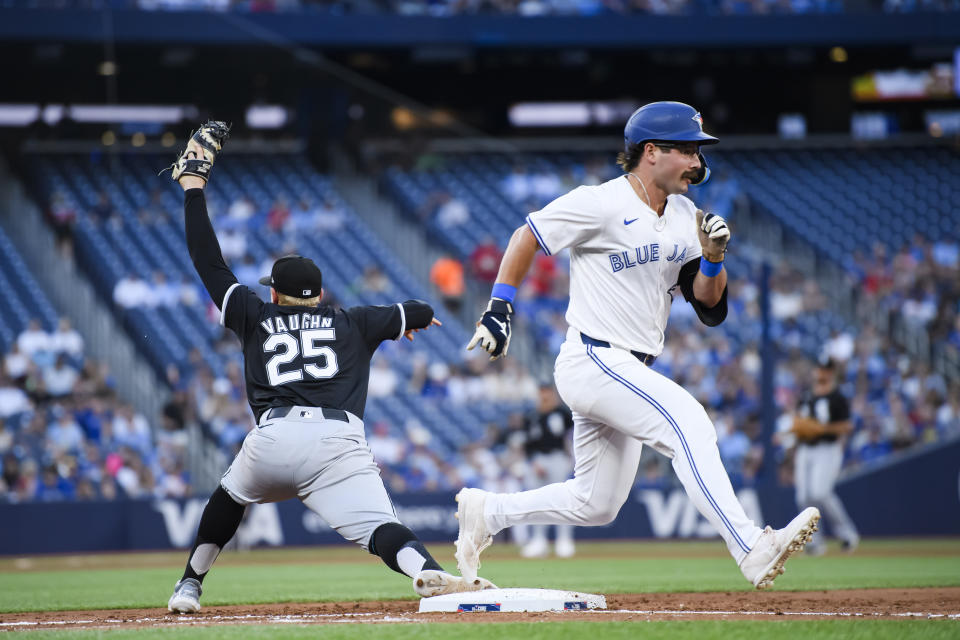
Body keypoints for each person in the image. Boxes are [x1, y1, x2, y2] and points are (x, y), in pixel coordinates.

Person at [456, 101, 820, 590]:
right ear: (652, 151)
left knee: (596, 504)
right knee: (688, 421)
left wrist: (712, 260)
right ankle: (750, 547)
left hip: (628, 366)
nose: (698, 161)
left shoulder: (685, 214)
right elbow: (528, 235)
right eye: (688, 149)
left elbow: (710, 307)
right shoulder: (602, 202)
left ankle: (487, 512)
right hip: (593, 356)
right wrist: (499, 308)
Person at [163, 122, 494, 614]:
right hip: (338, 448)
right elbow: (417, 308)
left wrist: (193, 189)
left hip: (273, 439)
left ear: (274, 293)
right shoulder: (354, 321)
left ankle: (189, 584)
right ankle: (422, 569)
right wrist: (415, 318)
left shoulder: (255, 313)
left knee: (229, 499)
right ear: (318, 294)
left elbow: (207, 261)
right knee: (383, 527)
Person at [790, 356, 859, 555]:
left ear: (830, 372)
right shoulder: (806, 395)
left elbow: (847, 425)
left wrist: (821, 429)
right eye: (818, 368)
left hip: (827, 448)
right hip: (805, 449)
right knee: (803, 496)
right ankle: (814, 542)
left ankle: (847, 534)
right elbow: (798, 421)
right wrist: (797, 430)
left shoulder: (837, 396)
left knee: (820, 493)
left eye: (824, 369)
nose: (820, 372)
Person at [519, 384, 575, 559]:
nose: (545, 396)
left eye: (547, 393)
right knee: (537, 501)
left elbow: (574, 432)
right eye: (542, 393)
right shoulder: (532, 416)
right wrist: (533, 462)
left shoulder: (562, 413)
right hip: (538, 460)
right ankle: (538, 540)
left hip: (558, 458)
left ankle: (564, 540)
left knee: (562, 500)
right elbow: (527, 444)